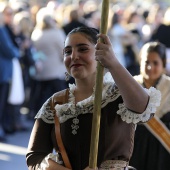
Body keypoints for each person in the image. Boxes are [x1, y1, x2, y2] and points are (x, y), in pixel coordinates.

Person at [26, 27, 161, 170]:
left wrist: (113, 63)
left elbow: (144, 109)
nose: (74, 56)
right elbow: (35, 157)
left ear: (100, 52)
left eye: (83, 49)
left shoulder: (119, 94)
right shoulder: (56, 103)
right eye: (68, 51)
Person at [130, 41, 170, 170]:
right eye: (146, 62)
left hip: (162, 150)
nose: (150, 67)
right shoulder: (130, 84)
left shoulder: (169, 87)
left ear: (163, 64)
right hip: (134, 147)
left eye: (155, 63)